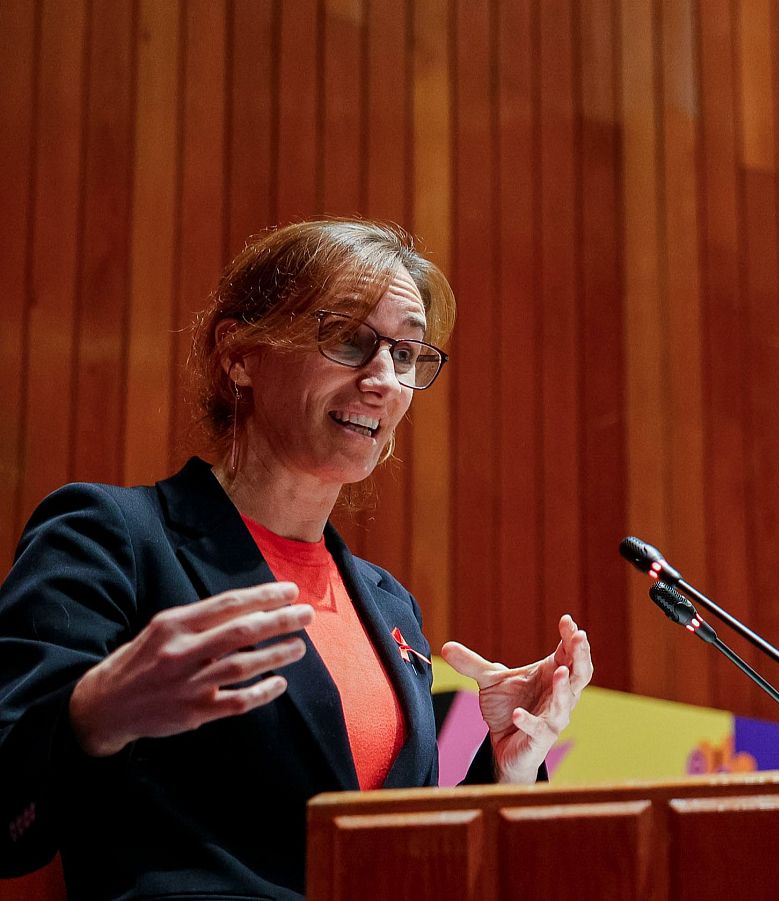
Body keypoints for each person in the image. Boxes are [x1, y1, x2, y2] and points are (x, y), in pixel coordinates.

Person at [0, 218, 592, 899]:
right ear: (239, 354)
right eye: (348, 339)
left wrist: (507, 765)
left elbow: (399, 863)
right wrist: (93, 715)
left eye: (406, 353)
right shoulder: (111, 539)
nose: (383, 380)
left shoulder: (390, 605)